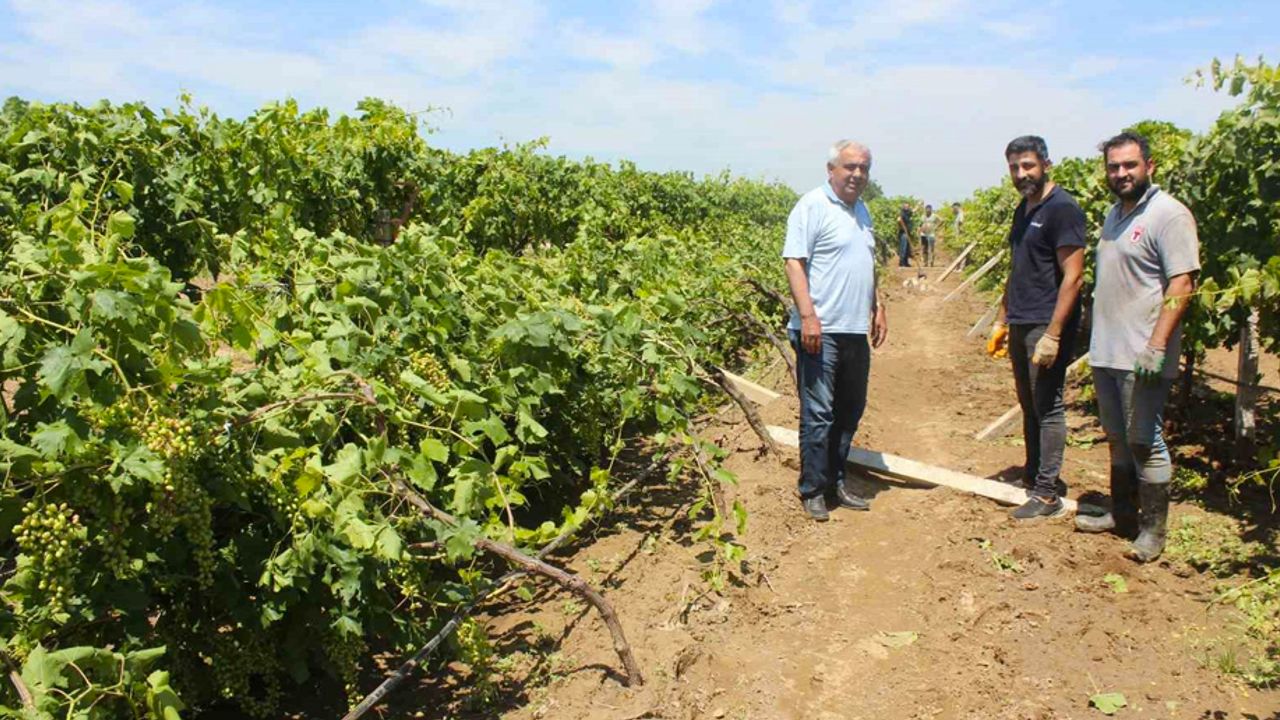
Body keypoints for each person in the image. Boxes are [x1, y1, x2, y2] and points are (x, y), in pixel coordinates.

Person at [1075, 131, 1199, 563]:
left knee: (1145, 440)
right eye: (1114, 167)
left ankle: (1152, 532)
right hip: (1107, 352)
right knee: (1117, 438)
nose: (1121, 173)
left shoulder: (1168, 215)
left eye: (1130, 165)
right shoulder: (1114, 214)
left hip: (1142, 355)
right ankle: (1122, 516)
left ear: (1150, 166)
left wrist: (1158, 345)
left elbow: (1182, 282)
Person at [782, 140, 889, 522]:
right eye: (850, 167)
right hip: (819, 331)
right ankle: (812, 487)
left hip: (854, 330)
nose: (857, 174)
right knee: (819, 412)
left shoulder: (862, 211)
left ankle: (836, 481)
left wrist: (877, 304)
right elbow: (794, 262)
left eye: (864, 168)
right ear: (831, 170)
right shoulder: (811, 205)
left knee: (849, 409)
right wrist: (808, 316)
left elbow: (867, 262)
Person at [986, 135, 1086, 520]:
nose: (1021, 173)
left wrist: (1054, 334)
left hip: (1046, 322)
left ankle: (1047, 493)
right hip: (1021, 320)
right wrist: (1001, 318)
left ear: (1046, 163)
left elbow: (1073, 278)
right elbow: (1017, 269)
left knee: (1048, 406)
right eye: (1014, 167)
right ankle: (1033, 477)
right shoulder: (1023, 209)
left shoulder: (1063, 209)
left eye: (1027, 165)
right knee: (1029, 404)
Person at [897, 202, 914, 267]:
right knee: (903, 248)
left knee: (907, 249)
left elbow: (913, 211)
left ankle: (906, 262)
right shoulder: (902, 213)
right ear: (903, 207)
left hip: (908, 233)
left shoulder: (908, 213)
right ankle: (902, 263)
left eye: (908, 206)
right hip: (903, 233)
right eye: (906, 206)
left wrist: (919, 205)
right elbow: (898, 219)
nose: (907, 207)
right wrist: (899, 221)